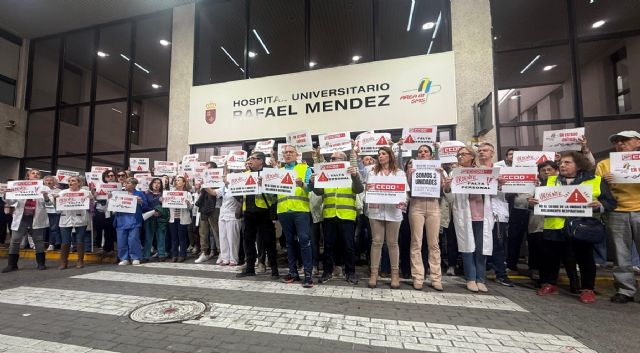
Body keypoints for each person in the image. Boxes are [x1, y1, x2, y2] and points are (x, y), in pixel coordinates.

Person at [530, 151, 616, 303]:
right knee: (551, 258)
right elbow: (537, 201)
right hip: (554, 226)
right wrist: (533, 203)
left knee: (585, 258)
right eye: (561, 163)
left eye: (567, 162)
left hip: (581, 226)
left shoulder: (595, 180)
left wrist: (600, 205)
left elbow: (610, 202)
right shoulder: (550, 181)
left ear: (579, 164)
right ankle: (550, 284)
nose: (562, 165)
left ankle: (588, 289)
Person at [595, 130, 640, 304]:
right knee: (621, 254)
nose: (620, 144)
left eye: (625, 140)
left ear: (638, 142)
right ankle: (625, 290)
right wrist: (604, 182)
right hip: (617, 212)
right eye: (617, 141)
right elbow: (596, 190)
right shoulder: (604, 164)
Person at [444, 146, 494, 293]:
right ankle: (471, 279)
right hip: (464, 214)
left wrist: (499, 185)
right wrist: (447, 187)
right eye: (458, 155)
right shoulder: (454, 173)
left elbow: (493, 192)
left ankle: (481, 279)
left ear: (472, 156)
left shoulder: (483, 171)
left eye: (463, 154)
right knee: (467, 247)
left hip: (482, 215)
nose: (460, 157)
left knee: (481, 248)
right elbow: (451, 198)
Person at [312, 151, 364, 285]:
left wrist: (355, 176)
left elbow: (358, 190)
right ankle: (327, 272)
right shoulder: (326, 174)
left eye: (335, 158)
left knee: (348, 246)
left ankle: (350, 272)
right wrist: (313, 183)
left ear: (343, 160)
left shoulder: (350, 173)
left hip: (346, 215)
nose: (332, 160)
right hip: (329, 214)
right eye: (331, 158)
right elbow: (318, 192)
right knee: (328, 246)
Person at [366, 146, 408, 289]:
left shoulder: (400, 173)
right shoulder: (372, 172)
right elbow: (368, 189)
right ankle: (374, 273)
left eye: (383, 154)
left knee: (392, 243)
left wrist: (402, 204)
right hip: (376, 211)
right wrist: (369, 190)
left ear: (390, 156)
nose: (381, 156)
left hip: (393, 212)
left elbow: (404, 193)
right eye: (379, 154)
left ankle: (395, 274)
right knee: (376, 242)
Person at [236, 151, 279, 279]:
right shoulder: (245, 175)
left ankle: (274, 270)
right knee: (248, 241)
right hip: (248, 212)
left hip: (264, 212)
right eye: (250, 159)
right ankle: (250, 268)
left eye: (253, 159)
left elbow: (275, 195)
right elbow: (238, 194)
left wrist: (264, 185)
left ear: (261, 161)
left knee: (269, 241)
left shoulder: (269, 174)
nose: (250, 161)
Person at [406, 144, 443, 291]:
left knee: (434, 244)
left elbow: (443, 190)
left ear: (431, 155)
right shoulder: (412, 169)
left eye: (426, 151)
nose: (422, 153)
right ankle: (418, 277)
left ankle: (436, 278)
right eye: (420, 152)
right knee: (416, 243)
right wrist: (410, 175)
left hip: (434, 207)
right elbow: (407, 189)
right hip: (416, 206)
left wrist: (441, 175)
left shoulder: (438, 169)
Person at [278, 145, 315, 288]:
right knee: (289, 243)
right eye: (286, 153)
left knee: (304, 241)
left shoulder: (305, 169)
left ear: (296, 154)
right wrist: (264, 185)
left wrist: (303, 185)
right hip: (283, 211)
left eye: (291, 152)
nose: (288, 154)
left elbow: (310, 189)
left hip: (300, 211)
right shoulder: (278, 172)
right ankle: (293, 273)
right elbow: (272, 193)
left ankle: (308, 275)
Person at [478, 142, 514, 287]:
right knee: (479, 242)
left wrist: (501, 185)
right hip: (478, 210)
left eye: (485, 150)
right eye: (479, 150)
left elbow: (513, 191)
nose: (481, 152)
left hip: (497, 211)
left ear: (492, 153)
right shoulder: (473, 171)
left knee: (498, 242)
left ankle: (501, 274)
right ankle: (480, 271)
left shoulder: (502, 170)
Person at [2, 169, 52, 272]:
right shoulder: (19, 186)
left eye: (38, 173)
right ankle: (12, 265)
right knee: (15, 240)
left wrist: (46, 196)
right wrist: (7, 195)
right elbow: (11, 202)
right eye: (33, 173)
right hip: (21, 218)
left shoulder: (44, 187)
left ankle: (41, 264)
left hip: (36, 217)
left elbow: (49, 203)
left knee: (38, 240)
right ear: (28, 176)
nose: (35, 174)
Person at [56, 176, 93, 269]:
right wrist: (55, 200)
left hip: (80, 218)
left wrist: (92, 200)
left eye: (73, 181)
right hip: (65, 219)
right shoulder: (62, 193)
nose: (70, 182)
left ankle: (80, 261)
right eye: (69, 181)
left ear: (79, 183)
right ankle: (64, 262)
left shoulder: (85, 193)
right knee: (65, 241)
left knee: (80, 240)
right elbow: (57, 209)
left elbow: (91, 208)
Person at [112, 177, 147, 265]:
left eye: (128, 183)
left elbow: (145, 205)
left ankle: (135, 257)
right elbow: (112, 204)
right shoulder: (119, 193)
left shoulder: (139, 194)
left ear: (134, 185)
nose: (125, 184)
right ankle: (124, 258)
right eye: (125, 183)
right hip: (121, 219)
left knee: (133, 239)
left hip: (134, 219)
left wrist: (140, 202)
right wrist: (111, 199)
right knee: (121, 240)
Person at [142, 178, 169, 262]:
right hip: (149, 217)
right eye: (155, 183)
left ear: (161, 185)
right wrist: (152, 211)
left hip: (160, 218)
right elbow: (144, 205)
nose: (156, 184)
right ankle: (146, 255)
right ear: (151, 184)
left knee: (161, 237)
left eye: (158, 183)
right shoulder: (146, 195)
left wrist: (160, 209)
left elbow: (167, 207)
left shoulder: (164, 195)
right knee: (148, 237)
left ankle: (161, 254)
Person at [167, 176, 193, 262]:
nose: (177, 182)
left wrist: (188, 203)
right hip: (173, 218)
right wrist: (163, 200)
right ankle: (174, 255)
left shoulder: (187, 194)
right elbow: (167, 204)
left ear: (184, 183)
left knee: (182, 237)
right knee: (174, 237)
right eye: (176, 180)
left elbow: (190, 207)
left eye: (179, 180)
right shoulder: (170, 193)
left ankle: (182, 254)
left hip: (183, 218)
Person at [93, 170, 117, 257]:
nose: (110, 177)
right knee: (104, 230)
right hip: (102, 210)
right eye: (108, 176)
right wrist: (95, 195)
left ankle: (111, 249)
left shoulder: (118, 186)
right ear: (105, 177)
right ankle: (105, 248)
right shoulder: (99, 186)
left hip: (114, 211)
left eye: (112, 175)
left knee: (112, 230)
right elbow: (96, 199)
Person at [217, 183, 242, 266]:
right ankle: (225, 258)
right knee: (223, 237)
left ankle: (233, 259)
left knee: (232, 239)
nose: (224, 178)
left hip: (232, 215)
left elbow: (241, 199)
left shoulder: (238, 186)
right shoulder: (223, 188)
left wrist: (231, 187)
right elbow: (214, 192)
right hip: (223, 215)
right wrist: (205, 185)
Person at [42, 175, 61, 251]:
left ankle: (51, 244)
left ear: (54, 182)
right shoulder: (40, 190)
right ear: (44, 182)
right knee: (42, 229)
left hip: (54, 212)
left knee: (53, 229)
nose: (49, 181)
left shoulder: (59, 191)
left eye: (51, 180)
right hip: (42, 211)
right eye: (47, 180)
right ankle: (40, 244)